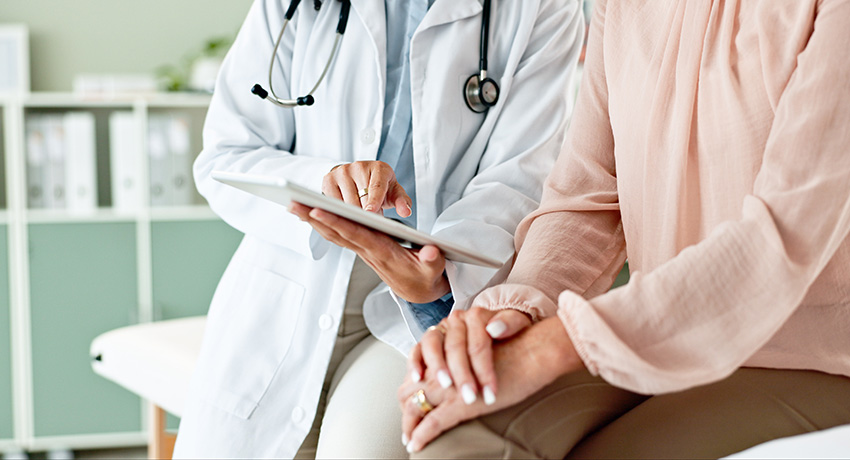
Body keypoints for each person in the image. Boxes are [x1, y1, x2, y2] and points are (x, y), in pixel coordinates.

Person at [397, 0, 850, 458]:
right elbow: (588, 195)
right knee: (456, 438)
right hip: (649, 332)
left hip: (806, 359)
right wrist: (509, 316)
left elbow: (779, 243)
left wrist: (553, 346)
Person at [172, 0, 585, 458]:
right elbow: (225, 156)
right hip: (292, 285)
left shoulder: (542, 7)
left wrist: (437, 276)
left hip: (424, 305)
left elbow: (519, 177)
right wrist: (325, 183)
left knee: (363, 448)